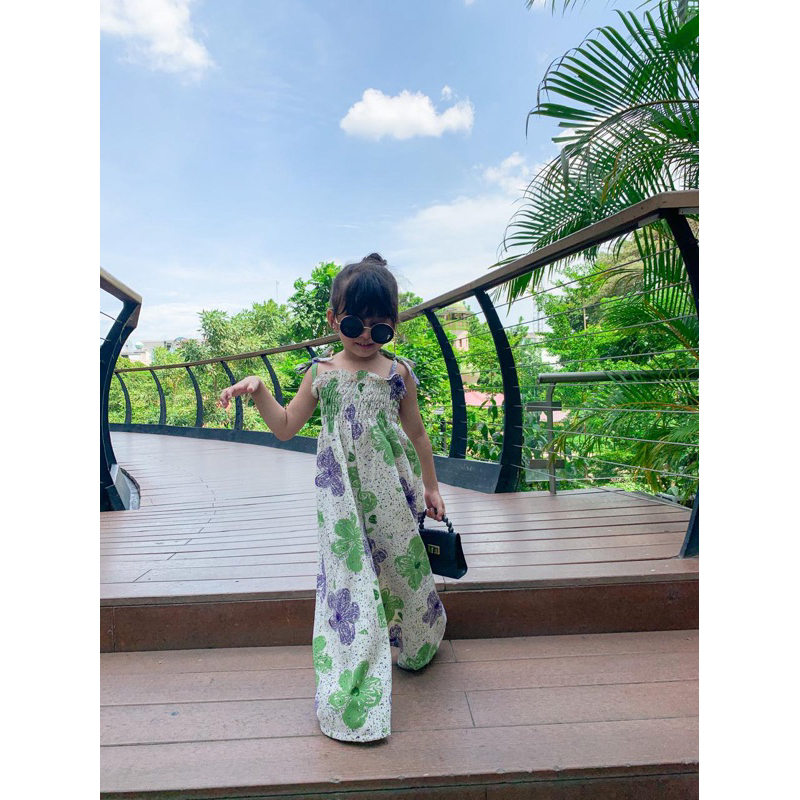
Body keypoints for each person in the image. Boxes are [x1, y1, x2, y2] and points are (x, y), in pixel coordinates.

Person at [219, 253, 447, 742]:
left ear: (394, 325)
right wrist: (259, 390)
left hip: (392, 492)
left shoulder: (399, 372)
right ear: (332, 319)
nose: (365, 336)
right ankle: (352, 685)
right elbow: (285, 427)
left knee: (402, 564)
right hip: (340, 498)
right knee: (350, 581)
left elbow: (418, 434)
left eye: (380, 327)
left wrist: (430, 486)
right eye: (352, 324)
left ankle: (418, 638)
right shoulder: (320, 373)